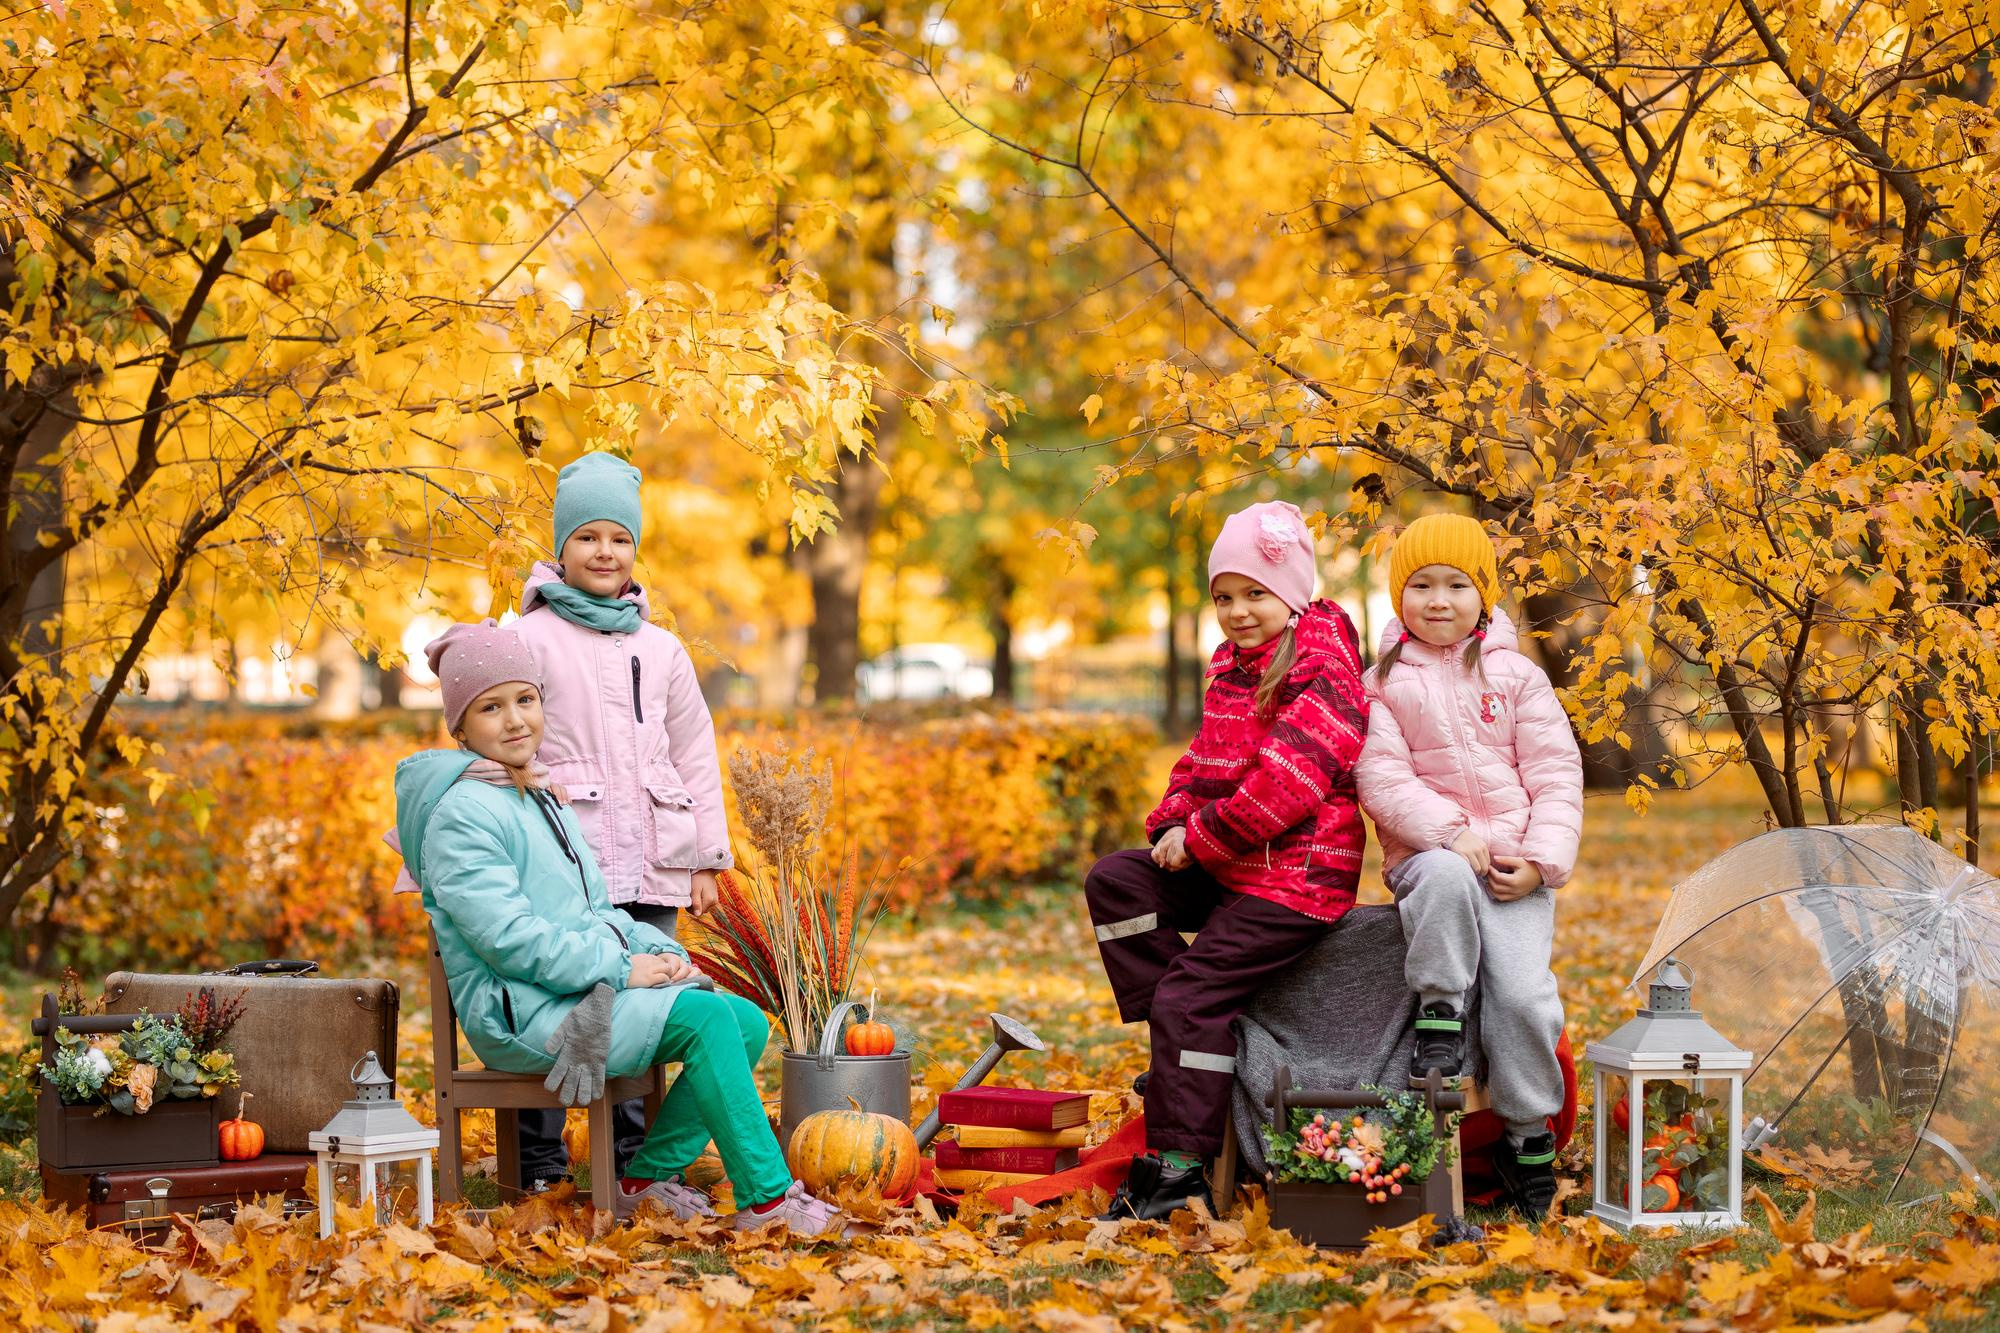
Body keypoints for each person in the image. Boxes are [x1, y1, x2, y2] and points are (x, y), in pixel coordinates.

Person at [394, 619, 841, 1234]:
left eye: (525, 700)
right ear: (462, 726)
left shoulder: (537, 795)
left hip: (574, 987)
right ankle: (769, 1200)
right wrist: (620, 968)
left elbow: (598, 911)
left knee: (739, 1019)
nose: (516, 720)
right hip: (523, 1013)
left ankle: (642, 1181)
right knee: (708, 1022)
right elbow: (509, 940)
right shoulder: (462, 815)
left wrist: (660, 953)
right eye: (491, 708)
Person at [1084, 501, 1370, 1220]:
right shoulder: (1231, 664)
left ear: (1293, 593)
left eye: (1255, 594)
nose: (1238, 611)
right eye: (1223, 597)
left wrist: (1203, 836)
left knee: (1190, 994)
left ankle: (1178, 1164)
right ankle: (1184, 1055)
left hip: (1299, 879)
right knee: (1116, 881)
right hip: (1236, 866)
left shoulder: (1324, 666)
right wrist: (1172, 821)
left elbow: (1288, 784)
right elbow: (1206, 758)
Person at [510, 451, 734, 1190]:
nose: (605, 551)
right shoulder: (531, 639)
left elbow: (694, 750)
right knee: (563, 1005)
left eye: (619, 538)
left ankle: (631, 1160)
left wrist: (705, 856)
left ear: (634, 550)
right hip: (568, 863)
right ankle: (538, 1158)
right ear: (561, 548)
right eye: (588, 537)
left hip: (651, 862)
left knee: (647, 1004)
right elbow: (503, 737)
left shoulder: (661, 647)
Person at [1353, 513, 1583, 1220]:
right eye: (1421, 584)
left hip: (1512, 869)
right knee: (1447, 875)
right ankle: (1441, 1013)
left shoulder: (1516, 676)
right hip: (1430, 858)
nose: (1439, 599)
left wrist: (1541, 863)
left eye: (1457, 584)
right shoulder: (1383, 682)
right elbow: (1381, 777)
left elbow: (1556, 773)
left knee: (1521, 998)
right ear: (1400, 597)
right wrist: (1448, 832)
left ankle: (1528, 1141)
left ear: (1484, 594)